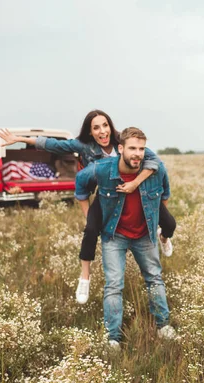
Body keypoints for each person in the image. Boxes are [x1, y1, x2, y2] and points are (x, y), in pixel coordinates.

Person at [0, 110, 177, 305]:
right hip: (106, 194)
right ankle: (85, 278)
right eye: (96, 127)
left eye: (105, 125)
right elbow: (54, 145)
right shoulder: (83, 146)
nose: (102, 131)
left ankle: (163, 237)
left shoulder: (123, 142)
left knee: (169, 223)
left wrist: (135, 183)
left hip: (137, 193)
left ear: (111, 126)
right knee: (91, 229)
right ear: (90, 132)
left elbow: (155, 162)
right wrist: (20, 139)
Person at [75, 127, 177, 345]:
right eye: (132, 148)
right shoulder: (102, 169)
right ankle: (113, 338)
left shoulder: (156, 170)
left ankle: (163, 325)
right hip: (115, 235)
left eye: (141, 149)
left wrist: (156, 219)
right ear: (120, 148)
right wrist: (88, 215)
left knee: (154, 279)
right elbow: (80, 182)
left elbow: (164, 195)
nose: (137, 153)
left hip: (145, 234)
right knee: (114, 285)